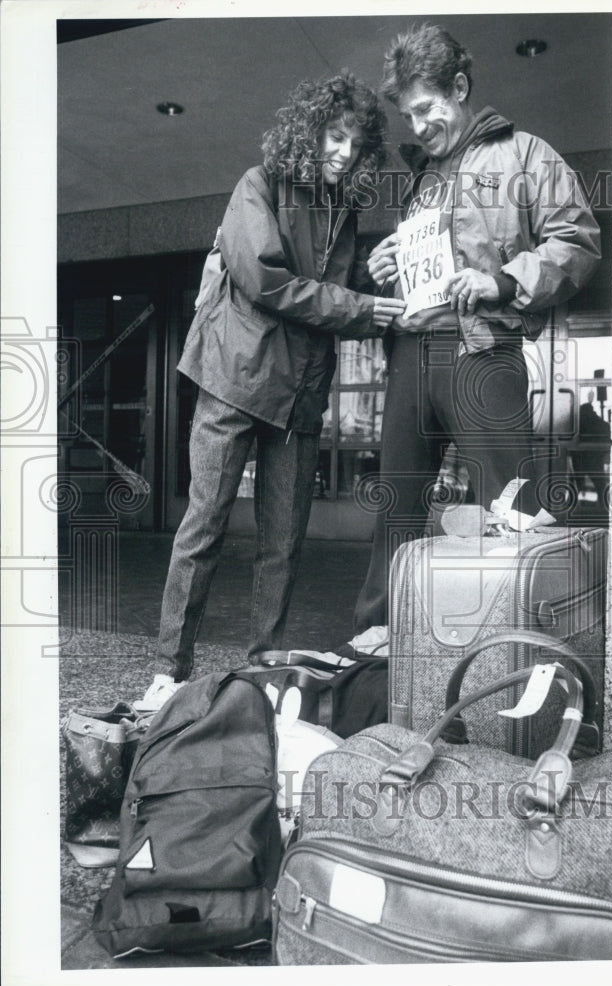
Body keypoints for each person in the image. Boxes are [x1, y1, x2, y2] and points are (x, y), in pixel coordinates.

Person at [135, 72, 405, 710]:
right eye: (336, 136)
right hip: (233, 379)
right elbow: (267, 281)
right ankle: (167, 672)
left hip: (299, 399)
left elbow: (323, 295)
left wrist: (375, 274)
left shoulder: (346, 211)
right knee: (203, 529)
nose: (344, 152)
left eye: (357, 144)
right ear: (310, 131)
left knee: (283, 545)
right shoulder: (256, 185)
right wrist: (366, 306)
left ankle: (264, 671)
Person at [351, 24, 602, 643]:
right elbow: (422, 268)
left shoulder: (525, 155)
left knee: (508, 509)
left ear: (459, 88)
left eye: (427, 108)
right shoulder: (420, 182)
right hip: (413, 354)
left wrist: (504, 282)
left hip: (484, 352)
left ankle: (507, 648)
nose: (417, 126)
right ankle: (381, 645)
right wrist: (389, 266)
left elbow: (577, 240)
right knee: (398, 511)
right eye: (408, 114)